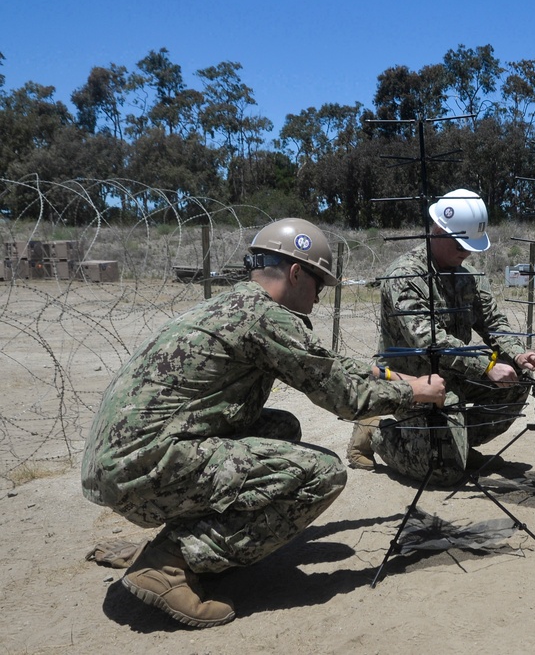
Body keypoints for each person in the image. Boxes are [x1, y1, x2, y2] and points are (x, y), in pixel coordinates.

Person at [81, 218, 445, 628]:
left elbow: (319, 362)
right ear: (295, 273)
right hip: (143, 467)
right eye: (318, 285)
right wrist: (414, 394)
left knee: (280, 428)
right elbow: (343, 397)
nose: (319, 299)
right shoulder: (266, 317)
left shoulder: (239, 305)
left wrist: (382, 375)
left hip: (123, 460)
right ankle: (169, 565)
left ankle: (179, 542)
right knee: (322, 474)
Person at [348, 188, 535, 485]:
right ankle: (377, 428)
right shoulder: (404, 276)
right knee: (443, 474)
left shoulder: (468, 276)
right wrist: (487, 366)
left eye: (470, 246)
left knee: (517, 379)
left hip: (454, 376)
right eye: (459, 244)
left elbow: (493, 322)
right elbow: (428, 340)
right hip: (412, 381)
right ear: (438, 230)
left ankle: (457, 444)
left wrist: (518, 353)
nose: (466, 252)